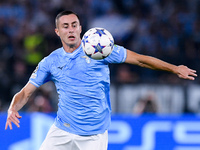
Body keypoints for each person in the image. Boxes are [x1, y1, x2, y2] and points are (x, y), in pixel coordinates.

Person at [5, 10, 197, 150]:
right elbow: (26, 92)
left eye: (74, 25)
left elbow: (140, 59)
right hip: (62, 130)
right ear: (57, 32)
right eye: (65, 26)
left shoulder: (99, 48)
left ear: (80, 28)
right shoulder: (50, 62)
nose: (71, 30)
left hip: (93, 135)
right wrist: (13, 107)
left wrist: (174, 68)